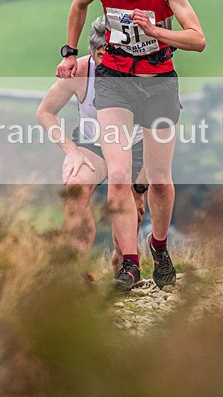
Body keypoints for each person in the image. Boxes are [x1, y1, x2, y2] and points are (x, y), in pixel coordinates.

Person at [55, 0, 205, 291]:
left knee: (158, 181)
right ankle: (130, 264)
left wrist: (156, 31)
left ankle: (159, 246)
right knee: (119, 176)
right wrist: (70, 52)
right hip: (115, 82)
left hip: (158, 85)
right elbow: (78, 5)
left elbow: (197, 39)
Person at [38, 18, 148, 272]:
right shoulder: (78, 72)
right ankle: (79, 269)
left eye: (113, 54)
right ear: (91, 52)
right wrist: (71, 151)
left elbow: (158, 124)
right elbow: (45, 112)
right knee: (75, 190)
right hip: (92, 146)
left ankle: (122, 263)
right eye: (101, 55)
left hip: (134, 147)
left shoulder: (139, 71)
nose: (107, 62)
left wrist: (143, 179)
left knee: (133, 210)